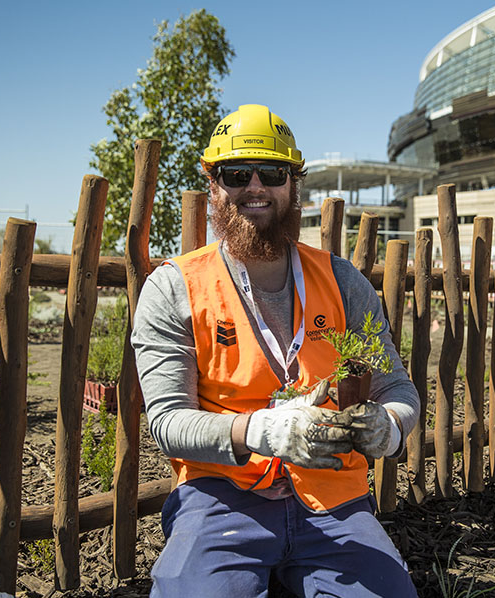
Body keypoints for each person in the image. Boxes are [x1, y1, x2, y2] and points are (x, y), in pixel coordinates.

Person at [132, 104, 421, 596]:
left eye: (273, 173)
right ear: (213, 185)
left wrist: (390, 425)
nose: (255, 186)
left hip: (333, 499)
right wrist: (258, 430)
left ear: (294, 186)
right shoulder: (174, 287)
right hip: (220, 497)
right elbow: (166, 423)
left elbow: (397, 386)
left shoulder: (343, 281)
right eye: (236, 173)